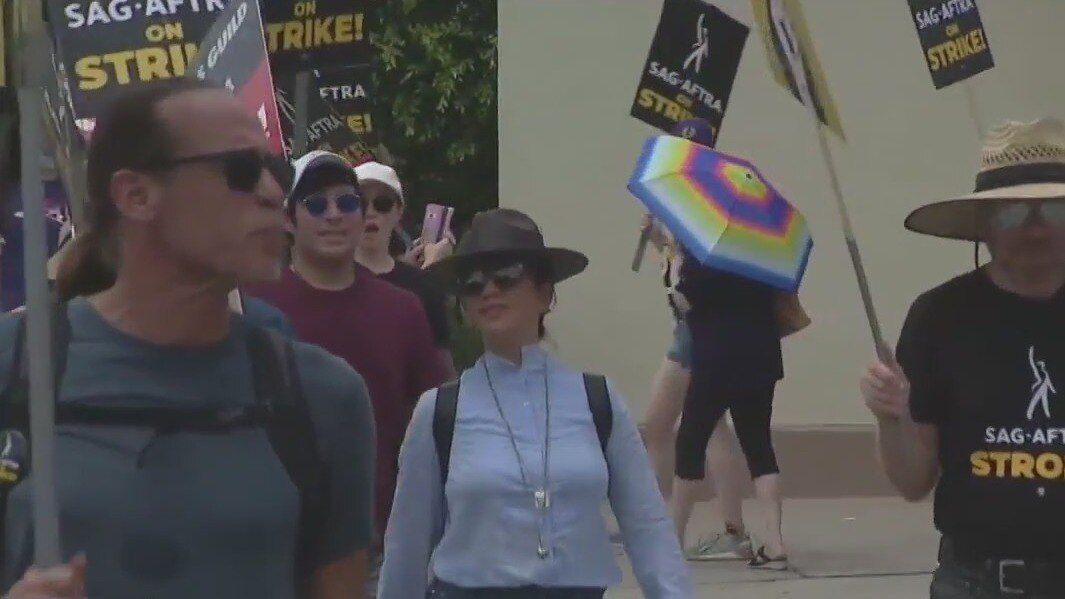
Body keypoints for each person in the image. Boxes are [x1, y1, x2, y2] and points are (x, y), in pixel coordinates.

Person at [0, 79, 377, 598]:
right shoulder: (18, 363)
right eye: (240, 170)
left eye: (277, 170)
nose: (273, 194)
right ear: (136, 195)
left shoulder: (320, 395)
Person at [377, 208, 692, 598]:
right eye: (472, 283)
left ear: (544, 293)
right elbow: (406, 548)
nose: (489, 289)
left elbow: (647, 526)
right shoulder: (440, 411)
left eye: (506, 275)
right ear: (465, 307)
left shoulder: (596, 400)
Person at [861, 117, 1065, 599]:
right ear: (985, 226)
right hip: (976, 582)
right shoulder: (940, 316)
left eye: (1054, 210)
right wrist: (890, 417)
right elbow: (913, 482)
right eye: (1014, 213)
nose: (1035, 230)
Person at [246, 150, 448, 594]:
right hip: (271, 547)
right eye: (316, 204)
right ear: (289, 220)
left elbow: (432, 426)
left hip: (376, 544)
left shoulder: (403, 309)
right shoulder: (253, 306)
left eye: (347, 202)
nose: (334, 215)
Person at [640, 117, 755, 562]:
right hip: (696, 325)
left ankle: (655, 527)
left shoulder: (701, 197)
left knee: (661, 424)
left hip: (695, 328)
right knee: (712, 429)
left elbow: (696, 262)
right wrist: (659, 238)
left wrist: (667, 234)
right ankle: (733, 530)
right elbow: (679, 261)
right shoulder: (698, 194)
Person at [667, 226, 808, 569]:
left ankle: (670, 541)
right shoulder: (761, 249)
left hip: (716, 361)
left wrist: (673, 265)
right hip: (760, 358)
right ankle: (774, 544)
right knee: (759, 447)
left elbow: (684, 303)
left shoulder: (701, 255)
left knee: (690, 443)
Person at [352, 160, 455, 375]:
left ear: (398, 212)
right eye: (359, 203)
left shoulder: (423, 286)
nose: (370, 212)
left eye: (382, 204)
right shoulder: (331, 280)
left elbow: (442, 370)